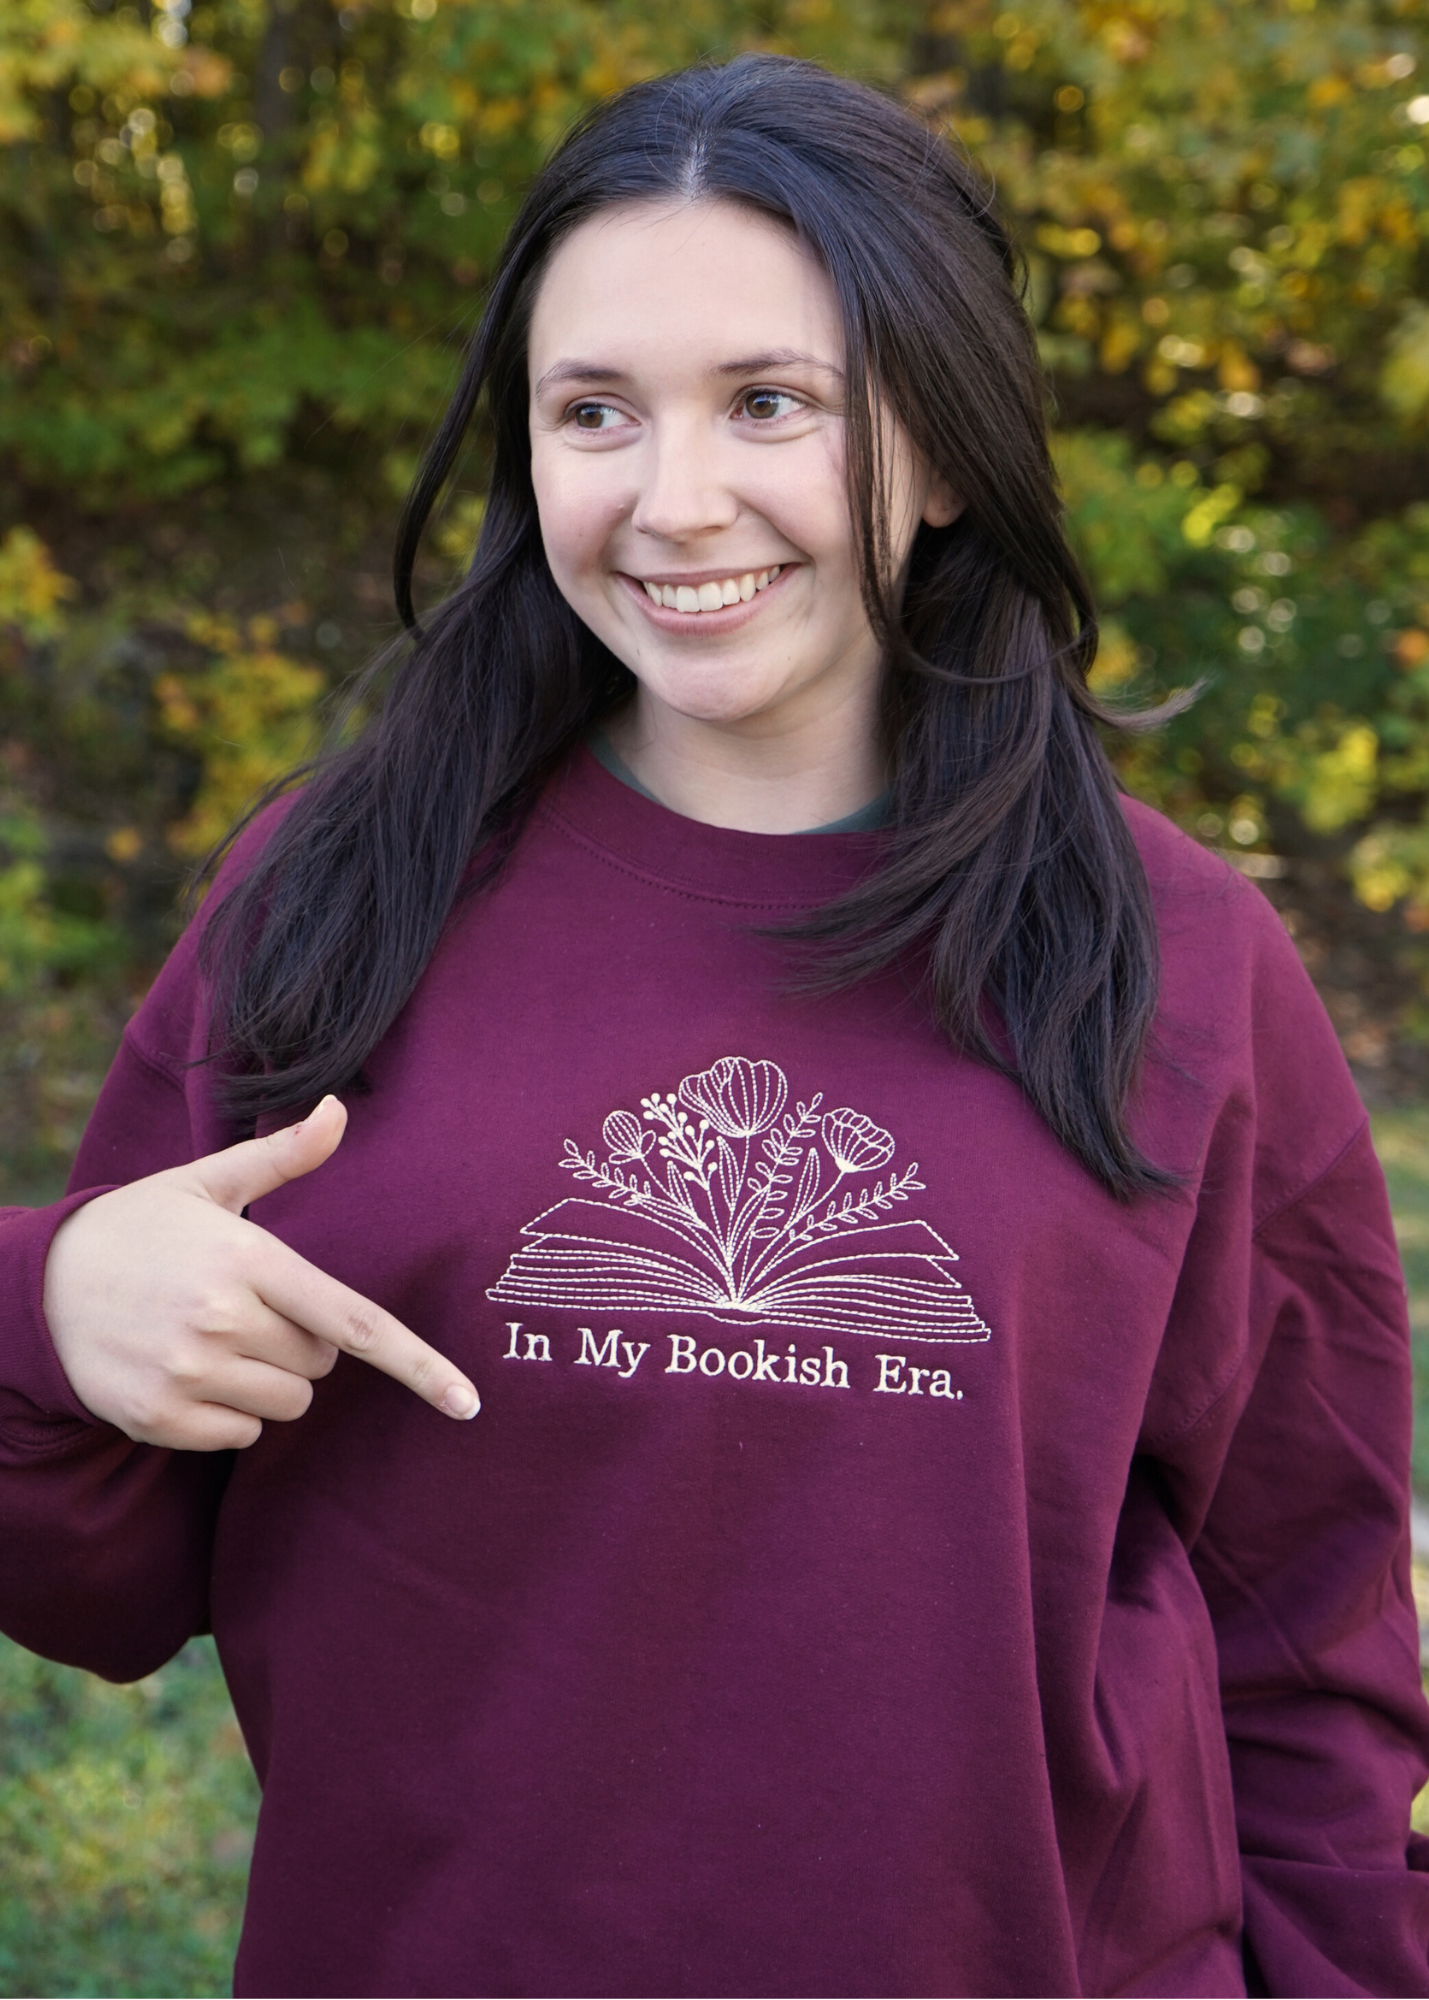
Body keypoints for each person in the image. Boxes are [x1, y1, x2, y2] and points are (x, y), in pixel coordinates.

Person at [2, 53, 1427, 1999]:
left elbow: (1313, 1637)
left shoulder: (1176, 959)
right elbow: (94, 1573)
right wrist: (58, 1309)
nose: (676, 503)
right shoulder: (344, 890)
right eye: (597, 411)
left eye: (771, 403)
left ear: (936, 443)